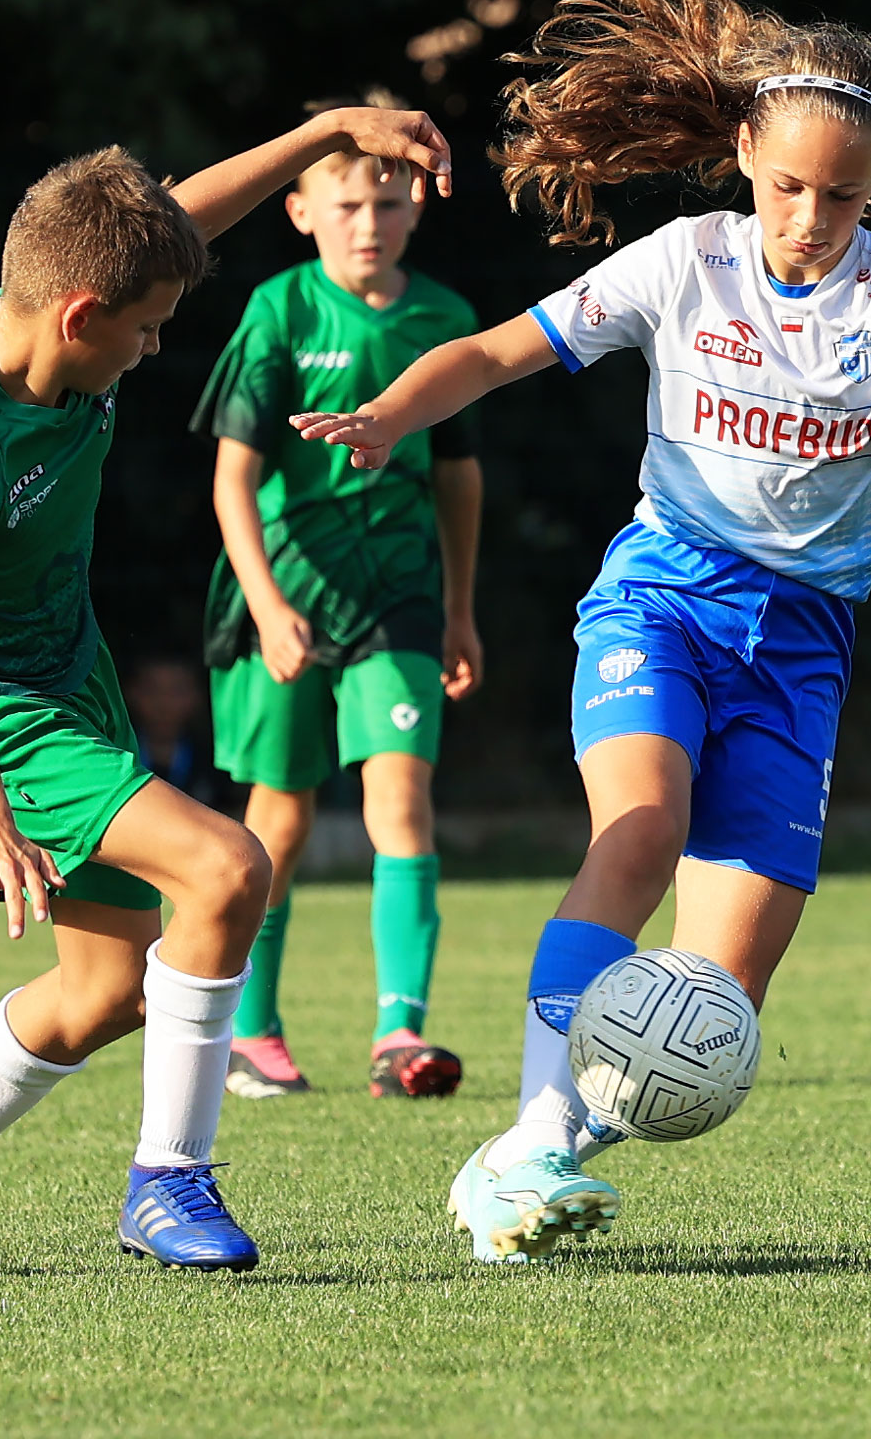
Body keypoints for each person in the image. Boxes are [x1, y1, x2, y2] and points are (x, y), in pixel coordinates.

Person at [296, 0, 871, 1263]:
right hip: (661, 596)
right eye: (788, 186)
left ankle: (526, 1157)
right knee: (641, 830)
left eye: (842, 194)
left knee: (717, 1004)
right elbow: (493, 353)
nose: (810, 215)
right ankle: (538, 1137)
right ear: (745, 156)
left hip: (802, 644)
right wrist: (386, 416)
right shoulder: (688, 261)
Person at [0, 107, 455, 1279]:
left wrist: (327, 128)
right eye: (148, 330)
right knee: (227, 867)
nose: (156, 348)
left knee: (110, 988)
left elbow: (176, 221)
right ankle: (170, 1181)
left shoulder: (71, 299)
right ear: (80, 315)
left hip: (68, 676)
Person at [193, 92, 486, 1103]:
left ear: (416, 206)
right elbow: (233, 478)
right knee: (275, 821)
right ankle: (252, 1030)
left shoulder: (446, 319)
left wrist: (458, 607)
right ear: (302, 209)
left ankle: (400, 1034)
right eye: (349, 203)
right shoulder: (277, 310)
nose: (371, 222)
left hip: (398, 593)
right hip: (285, 597)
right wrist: (269, 608)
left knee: (400, 799)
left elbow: (458, 474)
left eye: (390, 201)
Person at [125, 655, 223, 809]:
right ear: (131, 693)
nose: (164, 703)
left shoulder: (218, 764)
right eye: (152, 690)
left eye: (177, 691)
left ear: (197, 696)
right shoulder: (116, 757)